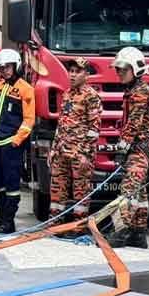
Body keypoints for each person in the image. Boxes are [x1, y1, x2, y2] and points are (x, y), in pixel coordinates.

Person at [107, 47, 149, 250]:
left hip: (140, 149)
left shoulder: (140, 93)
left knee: (127, 191)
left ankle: (119, 233)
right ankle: (138, 234)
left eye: (123, 69)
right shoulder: (133, 91)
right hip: (140, 148)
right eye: (117, 69)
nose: (118, 73)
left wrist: (121, 148)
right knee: (140, 193)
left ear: (135, 69)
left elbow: (134, 123)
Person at [0, 49, 35, 234]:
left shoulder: (25, 89)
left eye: (8, 67)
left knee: (11, 185)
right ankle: (2, 217)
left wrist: (17, 140)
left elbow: (29, 119)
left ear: (16, 66)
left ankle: (9, 221)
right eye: (1, 68)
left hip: (11, 144)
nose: (5, 71)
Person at [48, 58, 102, 227]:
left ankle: (79, 227)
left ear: (86, 74)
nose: (72, 74)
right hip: (62, 151)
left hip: (80, 153)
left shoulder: (91, 96)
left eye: (77, 71)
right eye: (71, 71)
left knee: (81, 192)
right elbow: (61, 124)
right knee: (57, 189)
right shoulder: (66, 94)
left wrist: (85, 154)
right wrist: (53, 149)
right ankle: (55, 224)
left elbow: (94, 129)